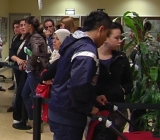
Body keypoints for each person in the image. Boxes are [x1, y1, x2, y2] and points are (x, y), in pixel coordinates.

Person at [49, 11, 112, 140]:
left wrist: (93, 97)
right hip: (69, 114)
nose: (106, 39)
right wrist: (88, 107)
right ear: (101, 29)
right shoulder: (86, 49)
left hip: (60, 107)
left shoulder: (75, 43)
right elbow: (78, 84)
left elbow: (72, 79)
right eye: (107, 34)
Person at [94, 22, 133, 138]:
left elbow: (129, 82)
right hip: (96, 110)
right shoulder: (92, 57)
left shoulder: (121, 58)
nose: (120, 41)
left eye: (120, 37)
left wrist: (122, 90)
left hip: (118, 109)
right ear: (105, 37)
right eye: (116, 38)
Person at [21, 16, 49, 133]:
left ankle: (38, 124)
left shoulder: (35, 37)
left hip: (35, 71)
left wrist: (31, 64)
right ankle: (34, 119)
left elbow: (36, 52)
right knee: (25, 94)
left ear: (30, 26)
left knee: (35, 97)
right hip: (32, 70)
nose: (24, 27)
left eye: (25, 25)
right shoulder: (33, 36)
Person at [10, 19, 31, 130]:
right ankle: (18, 116)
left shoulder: (31, 39)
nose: (22, 27)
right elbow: (11, 53)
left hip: (27, 71)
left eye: (24, 25)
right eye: (21, 25)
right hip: (17, 68)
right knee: (19, 92)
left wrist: (25, 62)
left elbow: (32, 54)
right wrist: (18, 60)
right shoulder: (16, 38)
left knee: (23, 94)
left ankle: (25, 117)